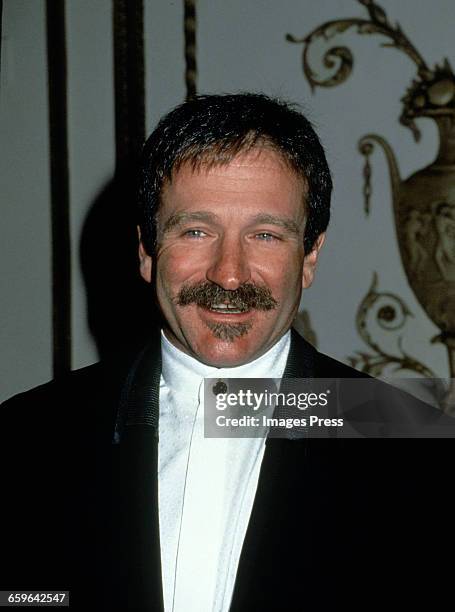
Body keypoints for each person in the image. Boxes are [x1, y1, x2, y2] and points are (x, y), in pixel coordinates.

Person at [1, 93, 453, 611]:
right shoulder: (25, 440)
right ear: (147, 251)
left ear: (310, 257)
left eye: (265, 235)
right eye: (196, 231)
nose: (229, 273)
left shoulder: (418, 449)